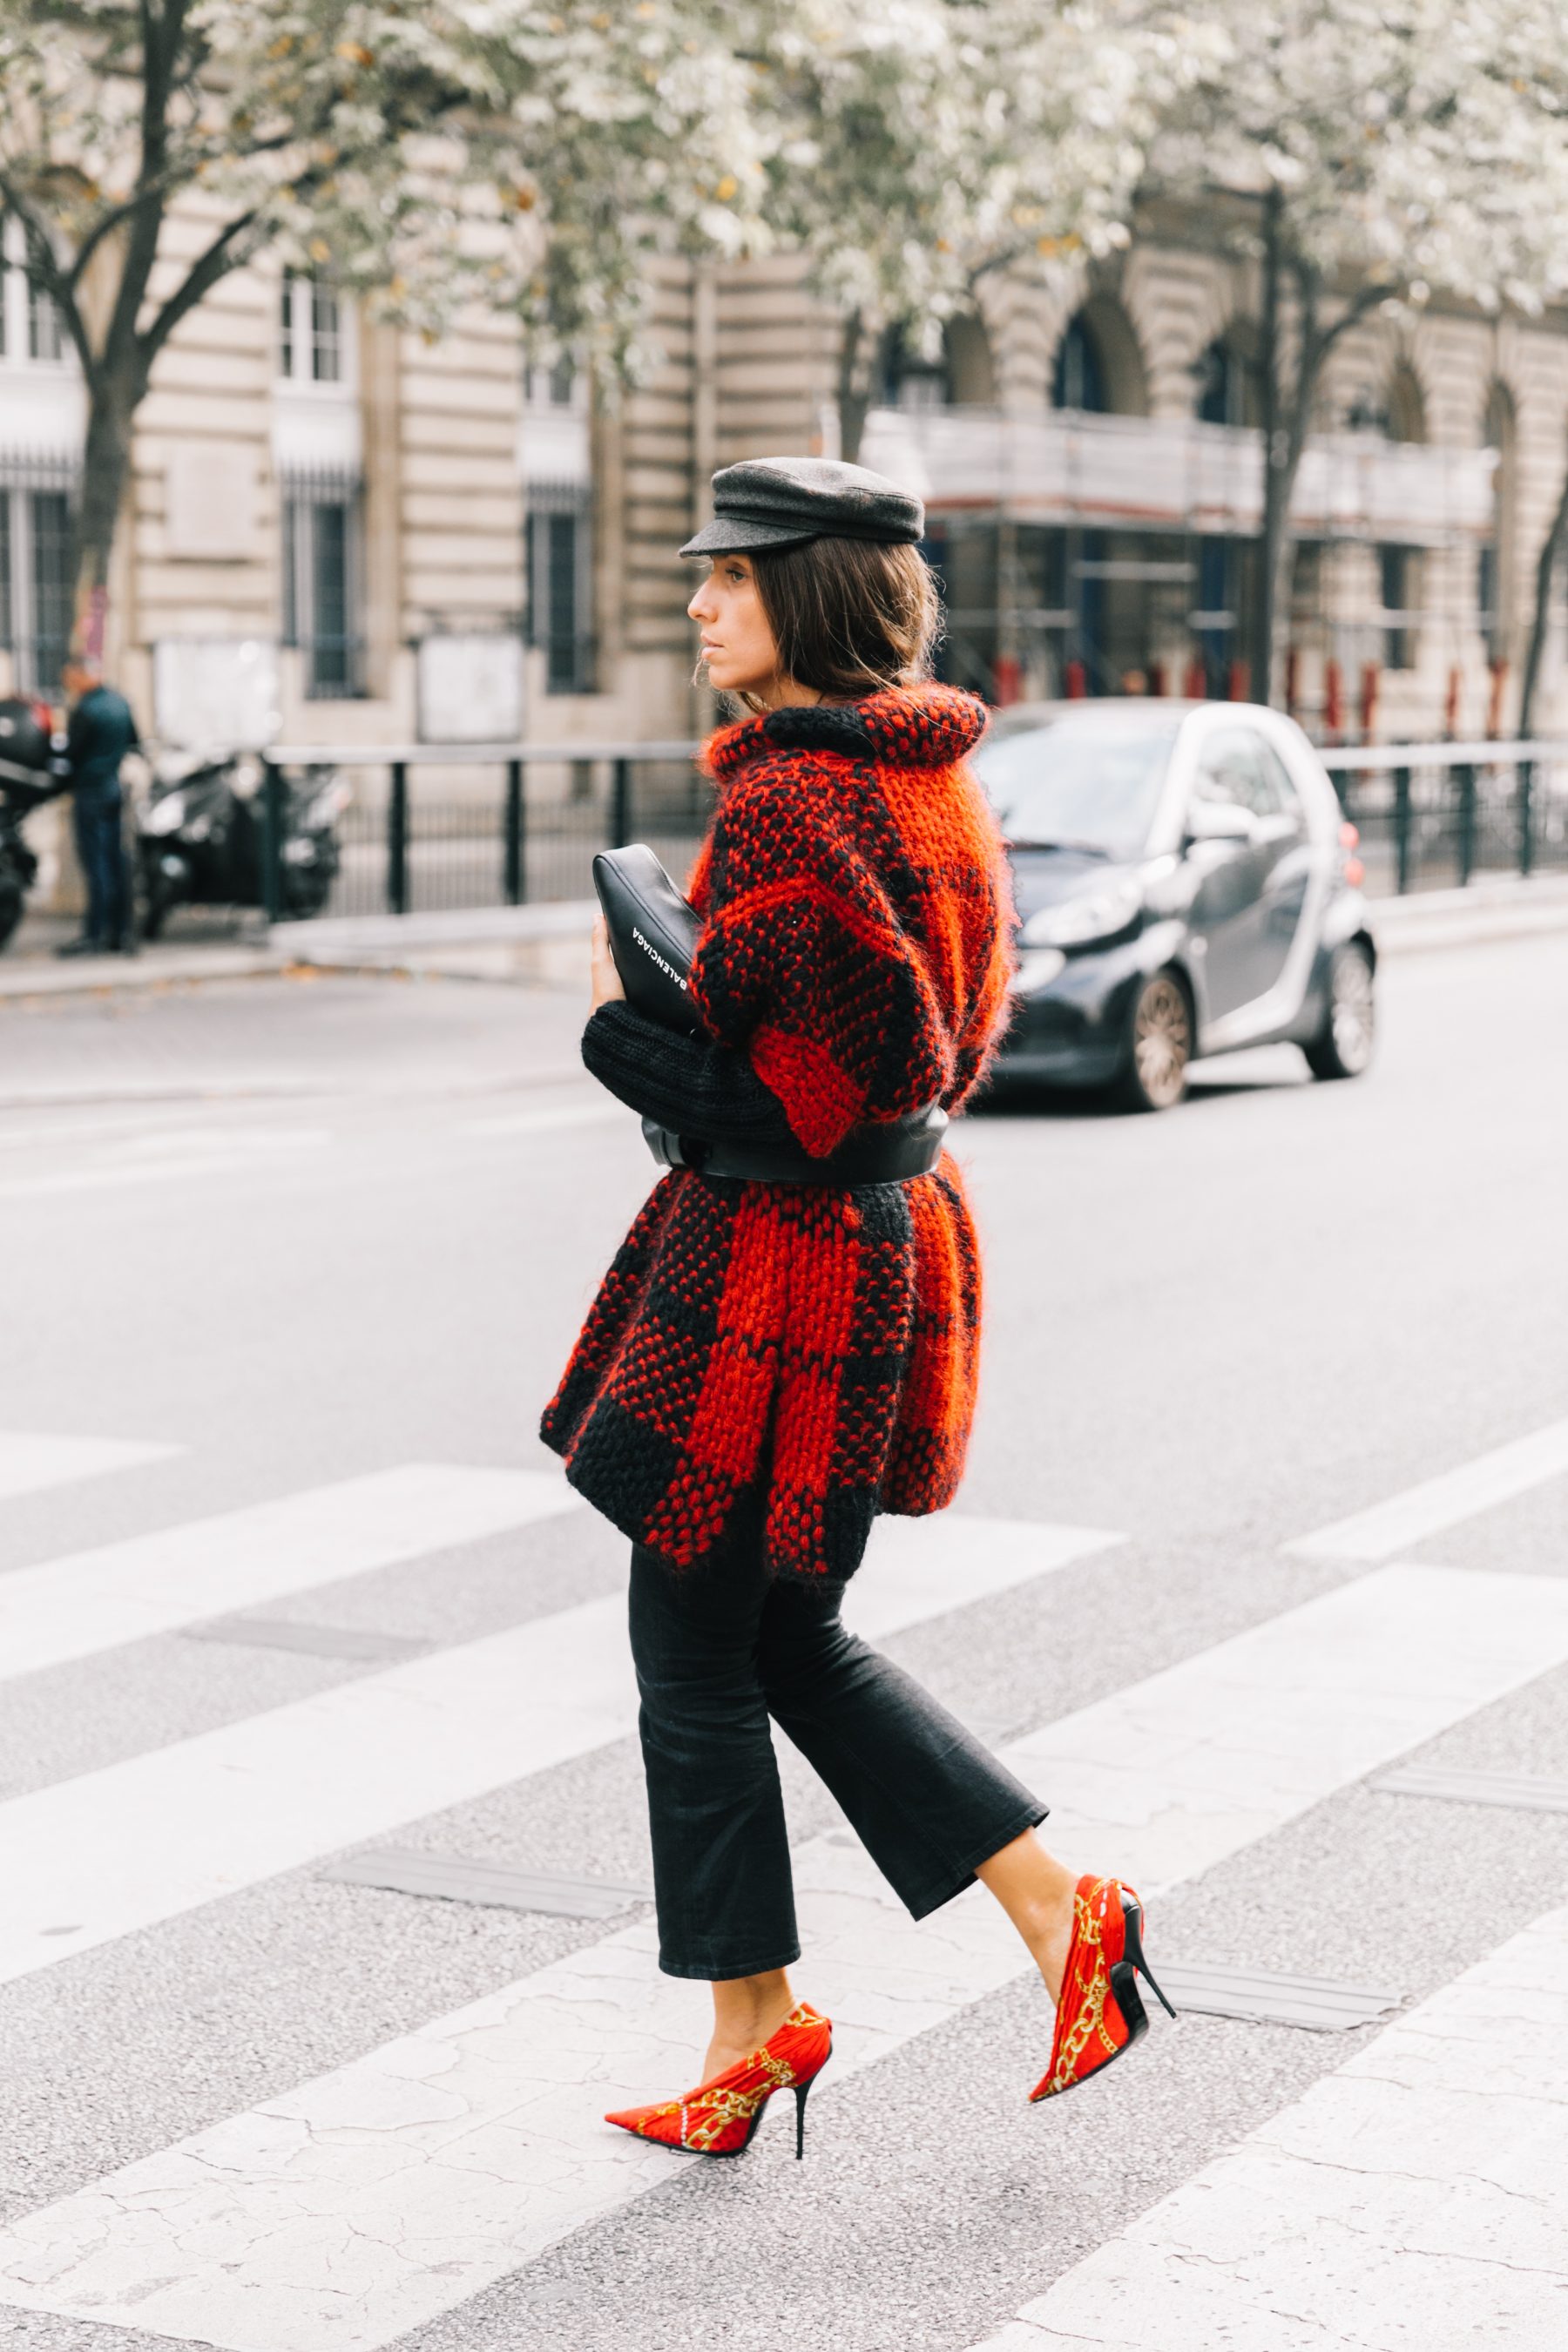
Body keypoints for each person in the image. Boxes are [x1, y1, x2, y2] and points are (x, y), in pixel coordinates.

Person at [541, 456, 1173, 2159]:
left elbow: (794, 1098)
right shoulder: (936, 784)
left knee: (697, 1640)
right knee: (771, 1631)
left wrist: (617, 1019)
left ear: (807, 596)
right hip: (886, 1237)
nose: (697, 603)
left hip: (787, 1269)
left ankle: (889, 1978)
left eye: (728, 579)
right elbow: (904, 1066)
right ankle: (920, 1970)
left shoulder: (792, 803)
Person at [56, 659, 139, 956]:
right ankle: (122, 933)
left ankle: (96, 934)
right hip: (113, 789)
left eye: (70, 677)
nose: (69, 684)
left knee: (97, 865)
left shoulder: (86, 709)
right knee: (117, 861)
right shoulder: (120, 703)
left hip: (90, 790)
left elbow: (70, 754)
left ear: (81, 675)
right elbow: (133, 741)